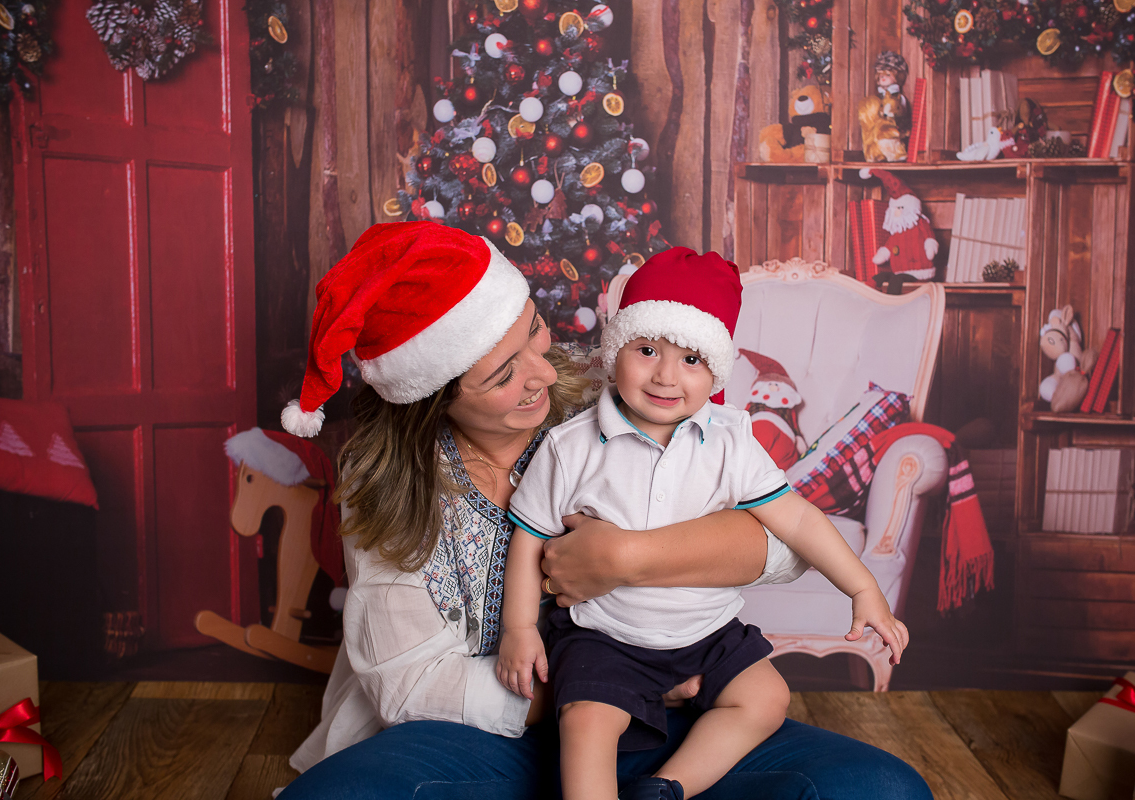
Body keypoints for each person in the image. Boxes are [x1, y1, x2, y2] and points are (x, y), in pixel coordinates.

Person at [277, 220, 933, 800]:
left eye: (534, 331)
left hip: (677, 712)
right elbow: (411, 686)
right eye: (503, 376)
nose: (541, 373)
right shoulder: (388, 482)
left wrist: (630, 558)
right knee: (340, 795)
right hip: (497, 731)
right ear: (431, 397)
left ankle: (663, 789)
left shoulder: (622, 389)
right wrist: (601, 685)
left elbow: (788, 543)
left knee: (883, 789)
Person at [500, 248, 909, 800]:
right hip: (606, 636)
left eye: (692, 359)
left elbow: (796, 518)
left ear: (716, 369)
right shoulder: (571, 446)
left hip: (706, 632)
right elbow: (529, 538)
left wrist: (862, 588)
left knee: (766, 698)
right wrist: (520, 629)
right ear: (617, 349)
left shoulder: (730, 439)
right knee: (586, 722)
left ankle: (667, 788)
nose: (666, 376)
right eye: (647, 350)